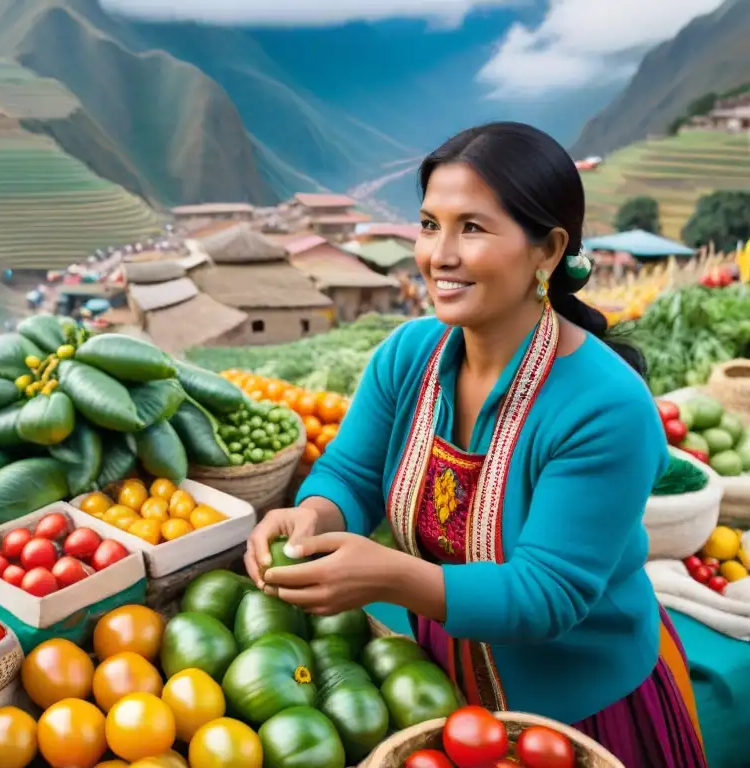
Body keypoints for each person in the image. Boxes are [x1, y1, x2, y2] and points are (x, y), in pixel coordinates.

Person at [246, 122, 705, 767]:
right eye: (431, 224)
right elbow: (349, 473)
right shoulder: (408, 356)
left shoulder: (606, 408)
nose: (440, 255)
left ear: (547, 250)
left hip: (576, 712)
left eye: (474, 228)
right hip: (438, 688)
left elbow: (549, 593)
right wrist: (312, 514)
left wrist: (394, 577)